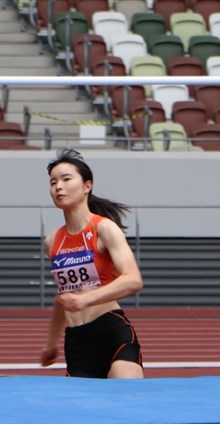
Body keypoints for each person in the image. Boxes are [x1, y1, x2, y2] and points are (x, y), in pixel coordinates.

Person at [40, 149, 145, 379]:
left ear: (87, 186)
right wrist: (50, 343)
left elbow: (133, 280)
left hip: (111, 331)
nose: (58, 186)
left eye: (66, 179)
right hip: (77, 343)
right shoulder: (52, 241)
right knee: (84, 414)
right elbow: (64, 296)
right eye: (53, 182)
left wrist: (85, 299)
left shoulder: (103, 228)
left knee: (125, 403)